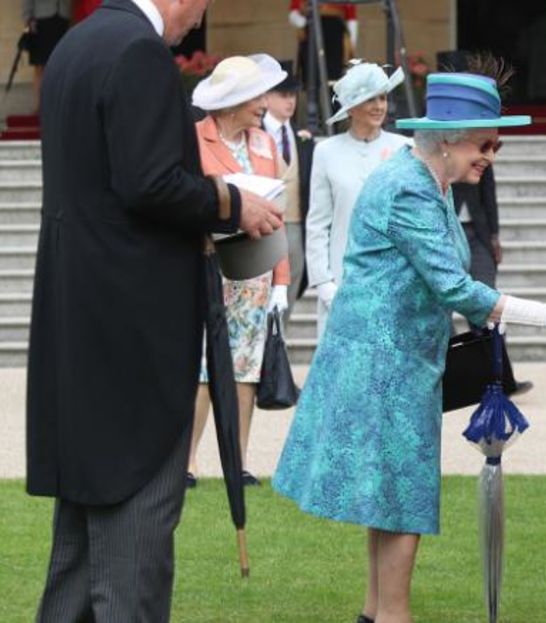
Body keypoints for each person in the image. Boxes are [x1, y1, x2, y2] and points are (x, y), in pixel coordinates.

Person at [272, 67, 546, 623]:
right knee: (403, 503)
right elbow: (454, 287)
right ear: (446, 139)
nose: (492, 154)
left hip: (398, 361)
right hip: (382, 365)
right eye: (484, 143)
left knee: (393, 503)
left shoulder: (429, 182)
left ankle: (377, 614)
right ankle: (394, 617)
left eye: (497, 143)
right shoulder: (408, 189)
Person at [27, 0, 283, 619]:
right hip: (131, 327)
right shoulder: (139, 51)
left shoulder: (75, 46)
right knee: (133, 550)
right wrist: (231, 204)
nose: (201, 17)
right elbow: (150, 182)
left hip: (80, 315)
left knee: (79, 554)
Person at [185, 54, 293, 488]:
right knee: (202, 367)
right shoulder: (193, 140)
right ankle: (187, 463)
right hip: (207, 264)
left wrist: (281, 278)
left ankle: (238, 462)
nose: (263, 104)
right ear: (232, 102)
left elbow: (277, 213)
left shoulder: (265, 144)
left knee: (246, 367)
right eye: (256, 97)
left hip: (254, 271)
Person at [306, 61, 410, 338]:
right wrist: (325, 284)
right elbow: (317, 224)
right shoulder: (326, 151)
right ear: (350, 109)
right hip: (342, 281)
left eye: (383, 98)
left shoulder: (404, 148)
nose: (379, 106)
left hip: (395, 280)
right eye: (369, 99)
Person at [263, 60, 315, 319]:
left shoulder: (303, 138)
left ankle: (279, 343)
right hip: (262, 224)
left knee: (293, 283)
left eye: (293, 95)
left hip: (295, 223)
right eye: (283, 95)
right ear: (267, 97)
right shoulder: (255, 133)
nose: (290, 101)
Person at [289, 0, 357, 84]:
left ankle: (333, 94)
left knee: (334, 74)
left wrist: (352, 43)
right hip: (312, 27)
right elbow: (293, 13)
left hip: (335, 30)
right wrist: (303, 23)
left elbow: (351, 17)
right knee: (311, 72)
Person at [22, 0, 71, 113]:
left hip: (62, 18)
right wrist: (27, 17)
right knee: (40, 65)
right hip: (41, 20)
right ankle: (39, 106)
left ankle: (58, 104)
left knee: (61, 66)